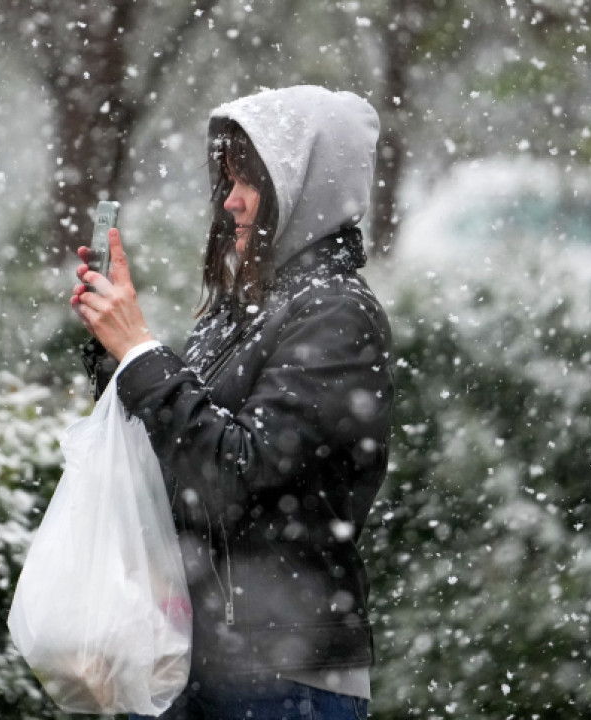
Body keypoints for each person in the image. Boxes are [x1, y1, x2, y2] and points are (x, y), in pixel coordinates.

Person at [69, 85, 394, 719]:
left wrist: (141, 352)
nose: (232, 201)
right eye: (228, 180)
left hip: (281, 674)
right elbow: (179, 454)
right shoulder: (240, 311)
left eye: (251, 182)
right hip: (186, 652)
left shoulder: (337, 315)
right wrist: (117, 356)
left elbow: (235, 474)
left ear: (308, 188)